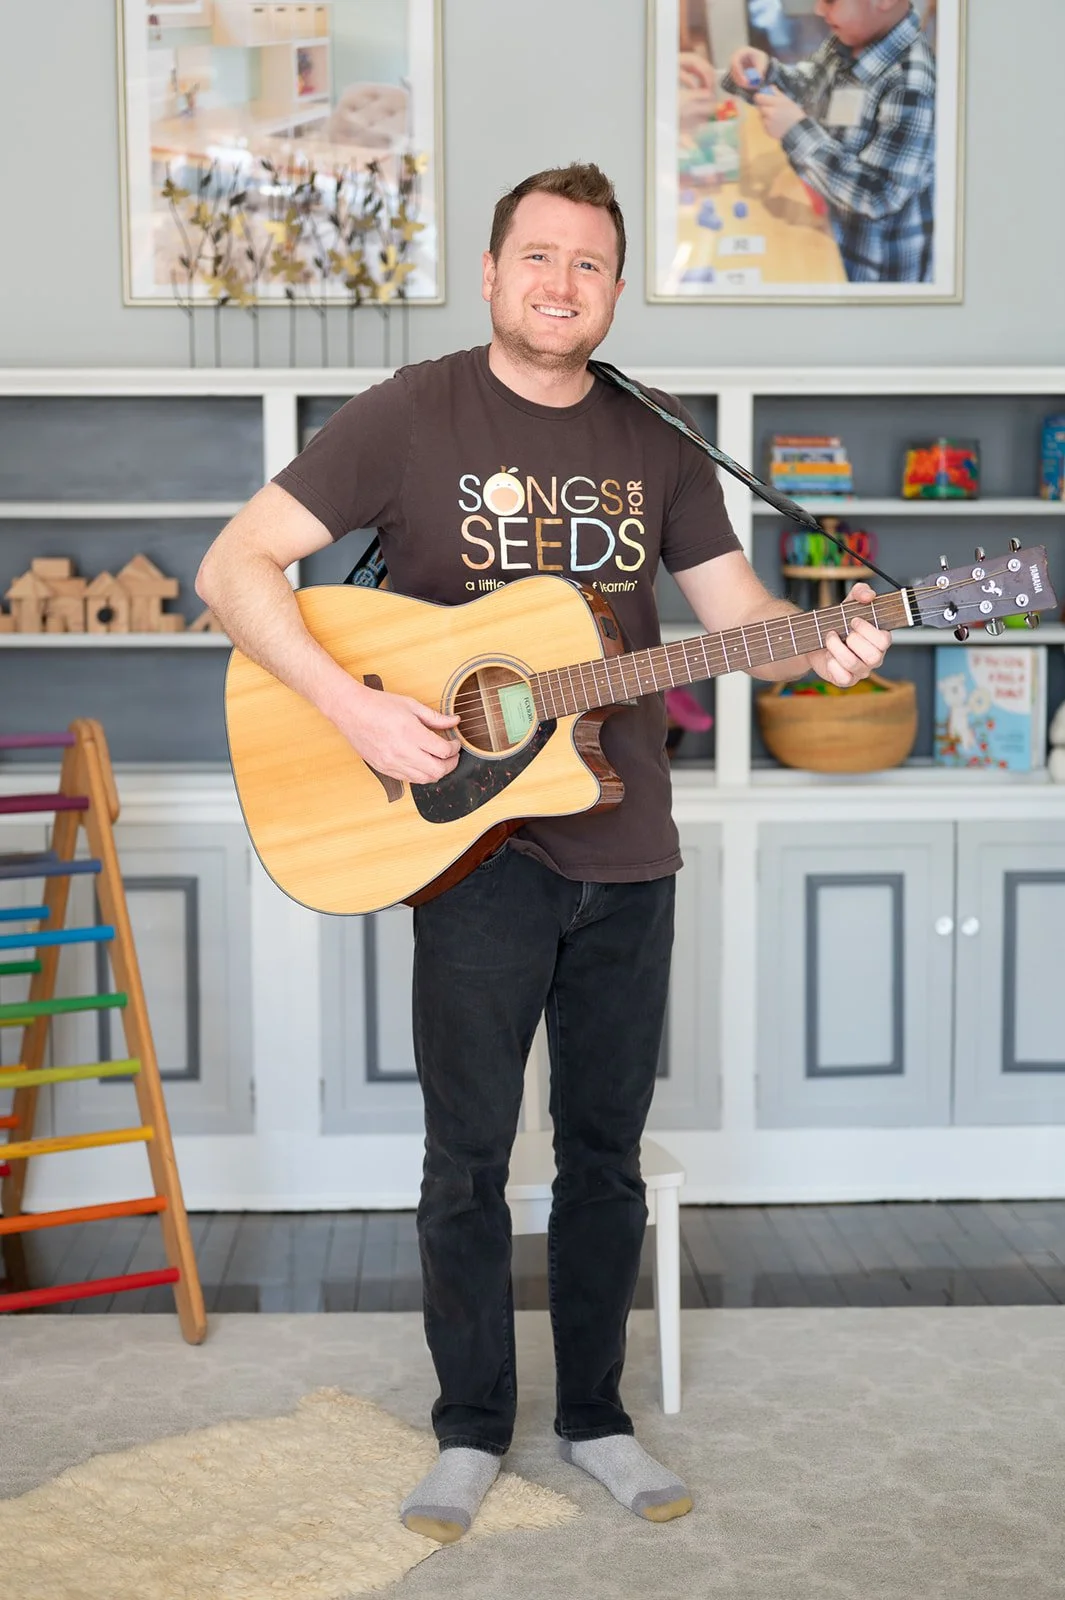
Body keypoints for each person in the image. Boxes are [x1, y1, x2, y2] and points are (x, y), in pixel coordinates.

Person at [195, 161, 891, 1542]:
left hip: (625, 845)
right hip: (467, 847)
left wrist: (829, 637)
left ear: (615, 291)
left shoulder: (660, 437)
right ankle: (467, 1431)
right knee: (464, 1157)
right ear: (494, 270)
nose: (561, 283)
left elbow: (735, 609)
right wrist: (356, 708)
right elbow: (234, 567)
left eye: (588, 264)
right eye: (538, 256)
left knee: (604, 1155)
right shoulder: (413, 411)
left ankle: (595, 1419)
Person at [726, 0, 936, 282]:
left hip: (873, 277)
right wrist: (766, 74)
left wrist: (795, 131)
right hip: (830, 234)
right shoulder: (848, 40)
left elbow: (877, 195)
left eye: (830, 1)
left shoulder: (911, 85)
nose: (818, 10)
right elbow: (809, 86)